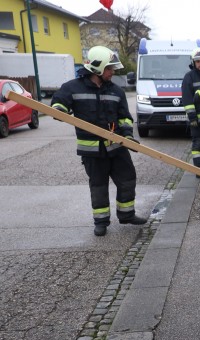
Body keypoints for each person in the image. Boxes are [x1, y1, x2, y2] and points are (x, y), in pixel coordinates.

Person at [51, 46, 146, 237]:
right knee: (98, 186)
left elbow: (125, 118)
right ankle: (101, 222)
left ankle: (127, 215)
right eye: (109, 68)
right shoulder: (72, 87)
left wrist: (127, 136)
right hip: (92, 151)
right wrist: (59, 110)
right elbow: (58, 103)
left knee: (127, 179)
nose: (113, 72)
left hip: (117, 147)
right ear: (97, 68)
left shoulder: (117, 91)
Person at [182, 48, 200, 173]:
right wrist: (192, 117)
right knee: (198, 144)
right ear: (193, 62)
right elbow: (187, 99)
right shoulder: (189, 77)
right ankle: (199, 170)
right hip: (197, 120)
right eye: (197, 61)